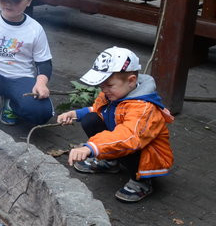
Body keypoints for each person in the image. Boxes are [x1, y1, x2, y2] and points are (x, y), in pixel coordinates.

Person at [58, 46, 174, 203]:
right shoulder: (113, 93)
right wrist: (76, 114)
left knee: (130, 144)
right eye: (101, 86)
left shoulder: (144, 107)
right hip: (123, 141)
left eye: (109, 85)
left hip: (145, 153)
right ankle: (110, 161)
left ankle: (141, 181)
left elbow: (129, 136)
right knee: (90, 119)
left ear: (131, 81)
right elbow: (100, 110)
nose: (104, 90)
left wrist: (91, 147)